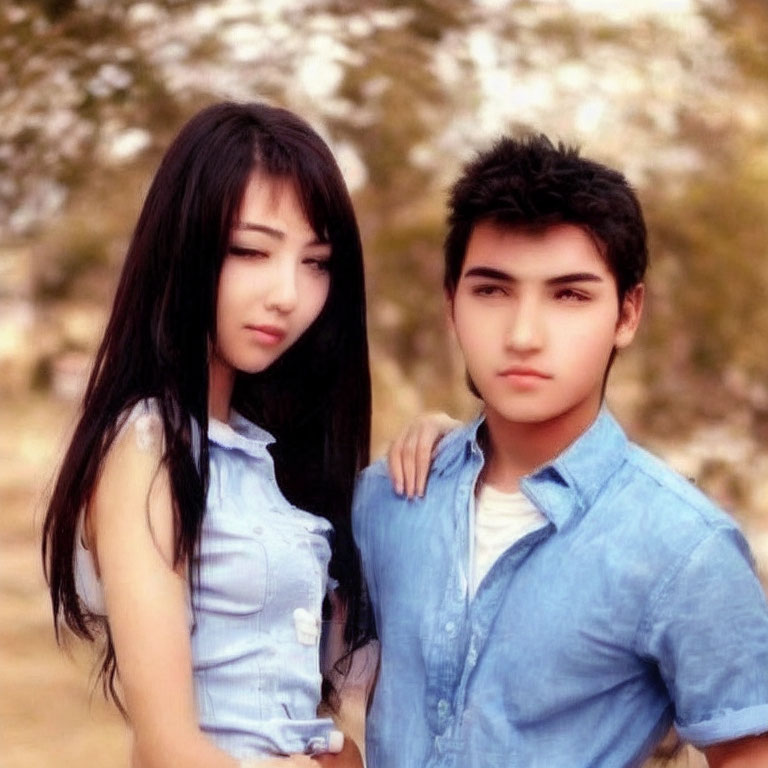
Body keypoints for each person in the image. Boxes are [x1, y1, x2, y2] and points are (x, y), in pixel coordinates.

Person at [353, 134, 768, 767]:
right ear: (451, 305)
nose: (523, 335)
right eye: (492, 290)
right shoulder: (384, 502)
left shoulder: (685, 547)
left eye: (569, 294)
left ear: (627, 314)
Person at [42, 101, 371, 768]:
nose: (288, 293)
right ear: (184, 246)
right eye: (251, 250)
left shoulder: (262, 453)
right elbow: (168, 750)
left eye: (316, 262)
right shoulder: (148, 449)